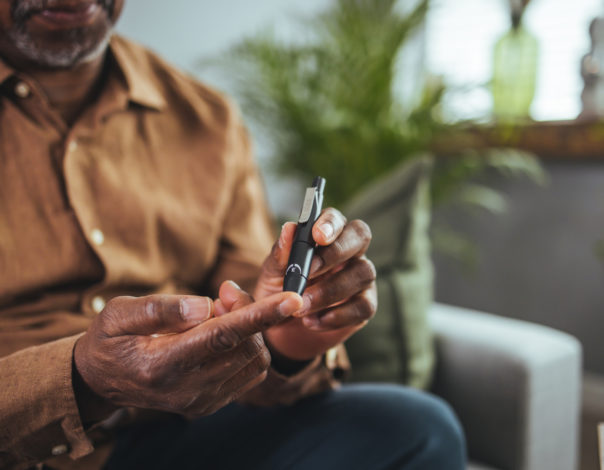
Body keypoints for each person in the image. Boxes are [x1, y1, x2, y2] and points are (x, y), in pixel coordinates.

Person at [0, 1, 466, 469]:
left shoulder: (207, 120)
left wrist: (287, 338)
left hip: (168, 437)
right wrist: (83, 380)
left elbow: (254, 323)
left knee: (415, 429)